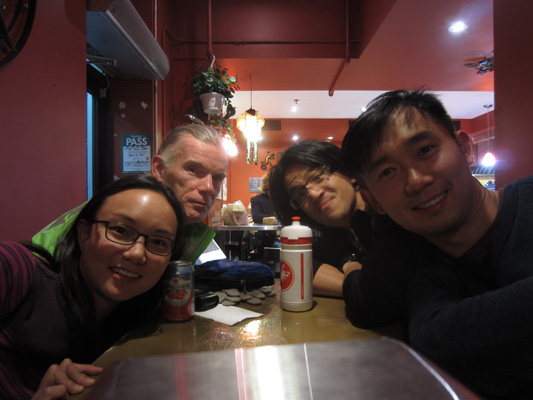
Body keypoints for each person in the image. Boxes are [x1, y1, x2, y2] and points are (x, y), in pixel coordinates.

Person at [341, 89, 533, 398]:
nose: (416, 180)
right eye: (388, 172)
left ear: (466, 148)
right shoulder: (424, 271)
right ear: (373, 201)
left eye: (425, 150)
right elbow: (438, 342)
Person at [1, 174, 185, 399]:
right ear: (83, 233)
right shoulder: (16, 271)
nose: (137, 254)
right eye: (120, 230)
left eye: (158, 242)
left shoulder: (133, 328)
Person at [32, 123, 228, 264]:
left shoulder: (190, 232)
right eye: (193, 170)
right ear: (159, 169)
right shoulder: (108, 217)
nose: (209, 187)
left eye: (217, 177)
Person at [250, 171, 279, 260]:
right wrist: (276, 220)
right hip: (264, 238)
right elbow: (256, 217)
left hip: (281, 237)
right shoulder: (256, 199)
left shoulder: (281, 199)